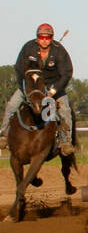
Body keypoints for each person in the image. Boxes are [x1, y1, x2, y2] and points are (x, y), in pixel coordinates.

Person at [2, 23, 75, 155]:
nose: (44, 40)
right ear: (37, 38)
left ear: (52, 38)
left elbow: (66, 73)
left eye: (47, 37)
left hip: (53, 87)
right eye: (41, 37)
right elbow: (19, 69)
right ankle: (4, 134)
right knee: (11, 105)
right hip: (31, 87)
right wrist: (26, 89)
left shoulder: (59, 51)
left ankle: (66, 141)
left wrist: (53, 91)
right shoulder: (28, 48)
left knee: (65, 110)